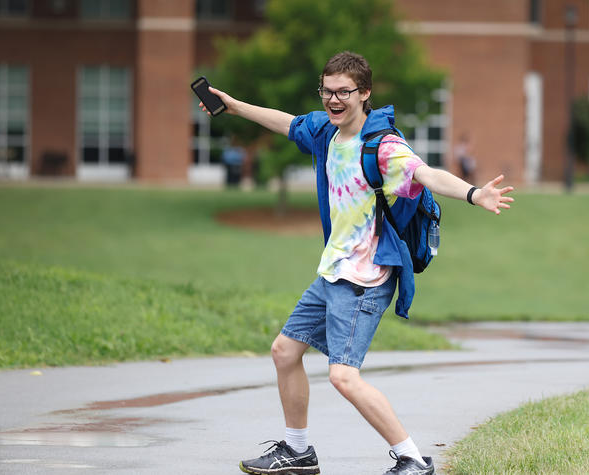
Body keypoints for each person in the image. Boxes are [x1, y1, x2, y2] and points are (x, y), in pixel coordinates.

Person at [200, 51, 514, 475]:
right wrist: (233, 105)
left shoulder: (382, 147)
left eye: (344, 92)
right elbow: (286, 121)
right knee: (284, 351)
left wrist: (475, 194)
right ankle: (298, 452)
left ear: (364, 93)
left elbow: (428, 175)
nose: (333, 99)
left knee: (344, 376)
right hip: (334, 271)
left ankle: (413, 460)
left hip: (365, 278)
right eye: (327, 91)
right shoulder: (325, 133)